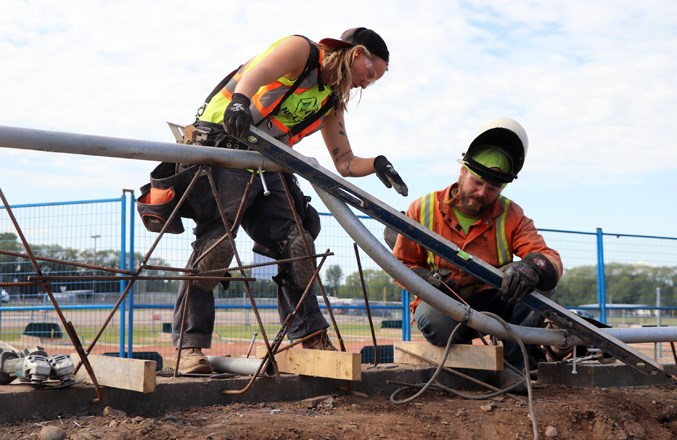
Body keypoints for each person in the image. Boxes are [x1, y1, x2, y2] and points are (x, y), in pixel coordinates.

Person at [172, 27, 408, 374]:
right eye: (370, 74)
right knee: (216, 244)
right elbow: (258, 74)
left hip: (268, 158)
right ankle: (189, 349)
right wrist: (239, 102)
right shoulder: (302, 51)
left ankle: (309, 339)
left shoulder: (331, 99)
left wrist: (376, 165)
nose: (366, 84)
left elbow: (343, 161)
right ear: (358, 54)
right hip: (226, 141)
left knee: (297, 244)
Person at [391, 117, 563, 392]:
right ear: (462, 171)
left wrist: (531, 269)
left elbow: (548, 258)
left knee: (541, 290)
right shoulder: (422, 209)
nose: (482, 193)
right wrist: (425, 279)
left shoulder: (511, 215)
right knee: (434, 319)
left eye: (492, 189)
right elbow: (401, 263)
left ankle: (513, 366)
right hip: (445, 302)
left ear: (503, 189)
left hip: (495, 300)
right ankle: (469, 368)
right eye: (477, 182)